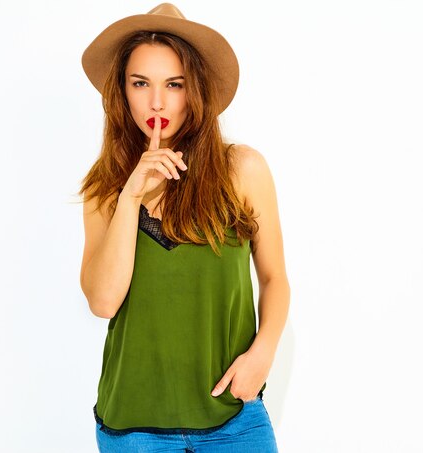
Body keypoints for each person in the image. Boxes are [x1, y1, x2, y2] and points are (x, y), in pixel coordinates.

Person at [78, 3, 290, 452]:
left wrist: (263, 354)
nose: (157, 101)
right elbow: (102, 301)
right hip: (132, 427)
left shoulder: (242, 169)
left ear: (195, 90)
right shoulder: (105, 189)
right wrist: (131, 196)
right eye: (141, 83)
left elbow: (274, 277)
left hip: (234, 418)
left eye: (174, 84)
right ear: (122, 92)